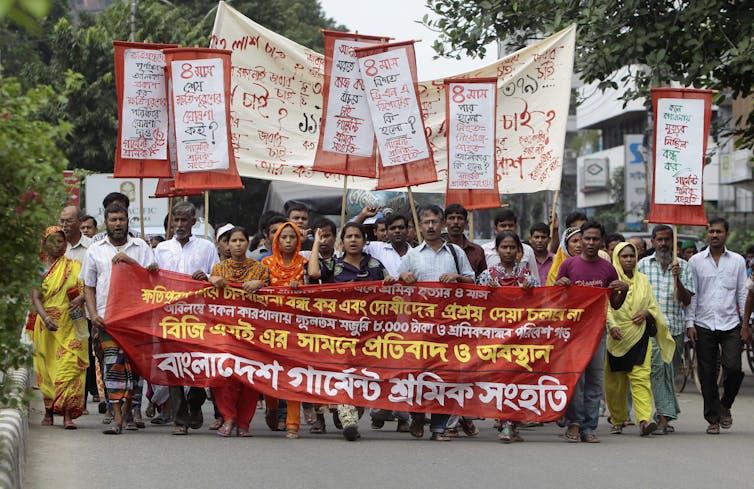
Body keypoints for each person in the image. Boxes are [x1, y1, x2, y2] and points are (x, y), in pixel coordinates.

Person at [309, 222, 397, 441]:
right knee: (343, 374)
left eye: (357, 236)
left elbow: (390, 298)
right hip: (340, 333)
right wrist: (316, 244)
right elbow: (313, 273)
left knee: (362, 378)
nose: (353, 240)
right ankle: (348, 418)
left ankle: (349, 414)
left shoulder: (375, 266)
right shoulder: (333, 266)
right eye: (348, 236)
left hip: (369, 336)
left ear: (364, 241)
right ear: (342, 241)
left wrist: (388, 282)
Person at [397, 204, 475, 441]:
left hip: (450, 327)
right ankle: (418, 414)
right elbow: (394, 285)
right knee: (417, 374)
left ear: (442, 225)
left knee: (448, 376)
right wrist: (403, 277)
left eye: (434, 222)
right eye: (426, 222)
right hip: (418, 327)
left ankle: (439, 427)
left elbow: (473, 282)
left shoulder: (455, 253)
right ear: (419, 226)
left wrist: (457, 277)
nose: (430, 226)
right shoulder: (411, 255)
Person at [82, 203, 155, 434]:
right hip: (107, 318)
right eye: (113, 219)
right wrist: (93, 314)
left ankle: (130, 410)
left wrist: (130, 262)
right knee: (112, 365)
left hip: (136, 319)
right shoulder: (95, 249)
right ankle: (116, 417)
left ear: (127, 221)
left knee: (133, 369)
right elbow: (88, 286)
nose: (117, 224)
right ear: (106, 221)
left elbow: (153, 278)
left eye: (121, 219)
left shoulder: (141, 247)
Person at [554, 221, 628, 443]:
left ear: (601, 241)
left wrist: (622, 291)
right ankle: (574, 423)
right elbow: (558, 301)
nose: (590, 243)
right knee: (576, 380)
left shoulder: (608, 269)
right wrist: (561, 285)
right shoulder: (568, 265)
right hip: (573, 333)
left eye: (595, 239)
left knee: (595, 381)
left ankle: (589, 427)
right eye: (587, 238)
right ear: (581, 240)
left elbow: (614, 304)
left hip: (597, 332)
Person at [153, 201, 220, 435]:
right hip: (169, 317)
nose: (179, 225)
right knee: (173, 366)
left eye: (184, 220)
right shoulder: (160, 250)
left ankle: (195, 401)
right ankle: (180, 419)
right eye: (176, 220)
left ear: (194, 222)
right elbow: (152, 283)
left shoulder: (207, 247)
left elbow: (218, 278)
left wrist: (207, 276)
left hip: (199, 317)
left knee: (201, 365)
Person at [605, 242, 676, 437]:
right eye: (624, 256)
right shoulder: (611, 281)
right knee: (615, 384)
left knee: (641, 378)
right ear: (617, 258)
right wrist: (613, 326)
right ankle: (618, 419)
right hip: (616, 338)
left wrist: (646, 312)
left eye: (631, 256)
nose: (628, 260)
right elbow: (606, 307)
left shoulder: (643, 280)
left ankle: (644, 420)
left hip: (640, 336)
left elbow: (653, 306)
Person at [686, 217, 749, 435]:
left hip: (731, 322)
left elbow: (743, 292)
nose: (714, 235)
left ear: (726, 234)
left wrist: (745, 324)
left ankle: (725, 404)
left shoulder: (738, 261)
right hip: (703, 323)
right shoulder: (695, 261)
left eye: (719, 232)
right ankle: (712, 418)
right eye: (711, 231)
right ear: (707, 234)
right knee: (707, 373)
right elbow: (692, 294)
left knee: (733, 368)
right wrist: (690, 322)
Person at [477, 231, 538, 443]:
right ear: (497, 250)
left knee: (519, 379)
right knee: (501, 379)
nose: (509, 251)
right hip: (497, 336)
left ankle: (514, 422)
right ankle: (505, 423)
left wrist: (530, 291)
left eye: (513, 247)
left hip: (521, 337)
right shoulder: (488, 275)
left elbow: (539, 302)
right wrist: (487, 291)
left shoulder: (527, 275)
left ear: (519, 251)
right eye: (504, 247)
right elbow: (475, 303)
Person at [208, 226, 269, 437]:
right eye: (233, 241)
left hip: (253, 332)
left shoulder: (260, 269)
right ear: (226, 244)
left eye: (241, 240)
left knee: (250, 376)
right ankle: (228, 417)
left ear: (247, 242)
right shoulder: (218, 270)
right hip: (225, 331)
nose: (237, 244)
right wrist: (210, 280)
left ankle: (244, 423)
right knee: (224, 374)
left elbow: (275, 297)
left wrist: (261, 284)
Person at [637, 224, 695, 434]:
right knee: (657, 368)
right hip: (650, 327)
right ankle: (663, 417)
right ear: (653, 242)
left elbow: (687, 300)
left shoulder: (684, 267)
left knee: (670, 372)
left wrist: (677, 278)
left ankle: (665, 414)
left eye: (667, 240)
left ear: (673, 242)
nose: (663, 244)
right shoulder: (642, 265)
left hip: (675, 328)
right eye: (659, 240)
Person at [30, 226, 89, 429]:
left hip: (72, 324)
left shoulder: (75, 266)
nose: (58, 245)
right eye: (53, 241)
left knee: (69, 368)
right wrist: (45, 317)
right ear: (44, 244)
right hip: (46, 326)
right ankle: (48, 412)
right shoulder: (38, 269)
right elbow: (35, 297)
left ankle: (67, 415)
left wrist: (81, 298)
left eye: (62, 241)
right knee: (47, 369)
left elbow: (87, 289)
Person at [262, 221, 308, 439]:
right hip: (270, 327)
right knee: (271, 371)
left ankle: (292, 424)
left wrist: (303, 287)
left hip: (297, 327)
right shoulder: (266, 263)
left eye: (292, 237)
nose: (288, 241)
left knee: (294, 373)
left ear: (298, 240)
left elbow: (316, 288)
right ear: (276, 240)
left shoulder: (305, 263)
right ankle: (271, 406)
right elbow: (257, 288)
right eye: (284, 237)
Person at [59, 206, 98, 407]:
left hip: (85, 311)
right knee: (65, 355)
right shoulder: (58, 247)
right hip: (61, 313)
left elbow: (96, 278)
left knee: (85, 354)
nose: (64, 225)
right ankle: (66, 398)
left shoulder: (92, 247)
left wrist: (83, 297)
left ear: (79, 221)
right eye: (62, 221)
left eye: (69, 221)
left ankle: (82, 396)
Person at [482, 210, 538, 277]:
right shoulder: (484, 250)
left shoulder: (527, 250)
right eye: (503, 226)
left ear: (516, 228)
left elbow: (534, 278)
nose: (507, 228)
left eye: (510, 225)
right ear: (495, 229)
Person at [443, 203, 487, 276]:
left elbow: (483, 280)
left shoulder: (477, 251)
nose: (456, 222)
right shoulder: (438, 249)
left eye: (460, 218)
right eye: (451, 218)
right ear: (444, 223)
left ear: (466, 223)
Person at [529, 222, 554, 287]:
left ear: (549, 240)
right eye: (536, 237)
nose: (540, 240)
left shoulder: (556, 260)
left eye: (543, 237)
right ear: (530, 239)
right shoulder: (525, 261)